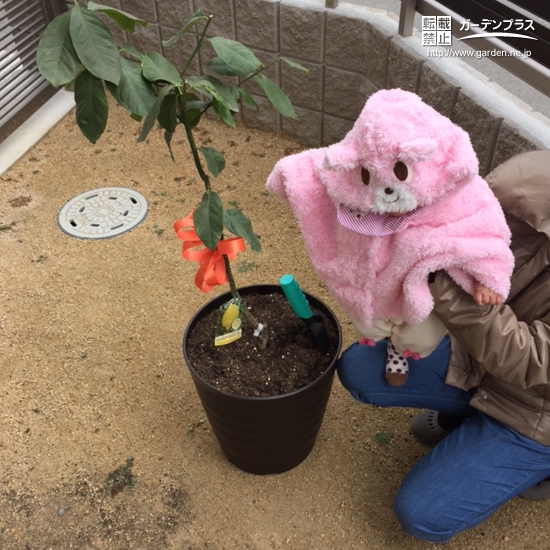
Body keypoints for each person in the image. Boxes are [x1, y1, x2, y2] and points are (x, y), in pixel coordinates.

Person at [337, 149, 550, 543]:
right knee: (359, 368)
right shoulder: (532, 180)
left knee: (421, 513)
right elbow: (459, 219)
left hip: (535, 412)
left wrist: (436, 276)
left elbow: (528, 358)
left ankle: (537, 462)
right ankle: (466, 412)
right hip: (475, 354)